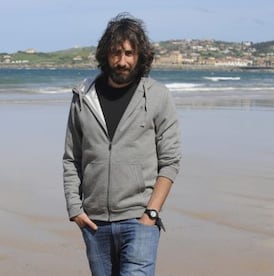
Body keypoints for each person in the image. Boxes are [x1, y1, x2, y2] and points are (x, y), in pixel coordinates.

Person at [63, 13, 181, 276]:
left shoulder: (158, 97)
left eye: (129, 53)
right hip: (94, 223)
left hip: (138, 220)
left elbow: (170, 161)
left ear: (140, 56)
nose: (122, 61)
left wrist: (151, 214)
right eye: (116, 53)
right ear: (106, 54)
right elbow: (72, 158)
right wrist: (74, 208)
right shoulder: (83, 97)